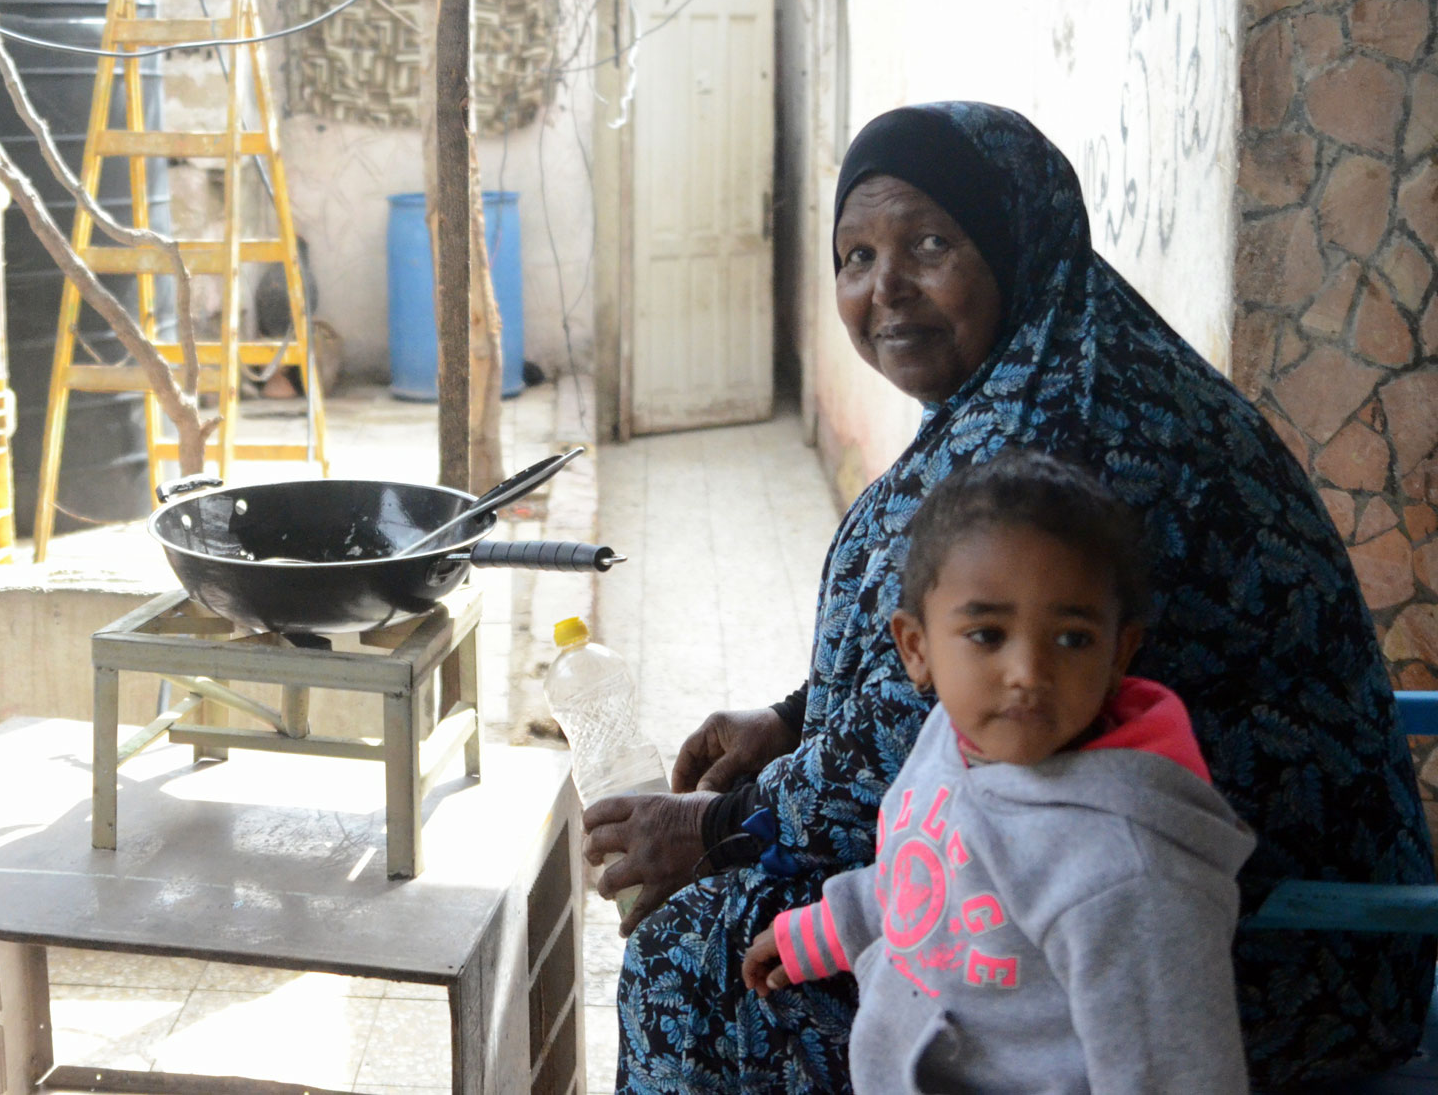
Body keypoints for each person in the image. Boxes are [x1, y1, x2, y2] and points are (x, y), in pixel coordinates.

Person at [590, 102, 1433, 1092]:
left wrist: (709, 826)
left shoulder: (1061, 436)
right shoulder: (1053, 364)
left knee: (689, 958)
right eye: (853, 256)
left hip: (1242, 946)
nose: (885, 288)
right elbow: (954, 663)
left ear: (1014, 241)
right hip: (1078, 869)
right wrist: (791, 717)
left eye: (931, 244)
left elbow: (898, 765)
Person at [743, 450, 1253, 1095]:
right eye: (987, 635)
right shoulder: (953, 737)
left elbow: (1177, 1075)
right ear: (917, 649)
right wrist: (831, 929)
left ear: (1119, 652)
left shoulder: (1125, 875)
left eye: (1072, 639)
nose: (1027, 673)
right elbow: (932, 870)